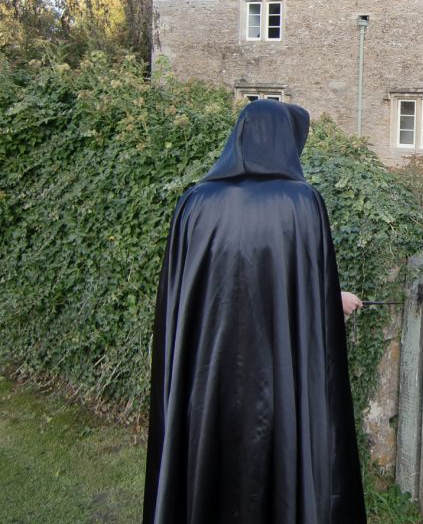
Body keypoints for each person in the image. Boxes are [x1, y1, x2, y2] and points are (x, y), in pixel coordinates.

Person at [142, 100, 367, 524]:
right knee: (284, 456)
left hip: (206, 382)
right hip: (280, 383)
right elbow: (300, 291)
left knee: (205, 463)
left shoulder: (195, 203)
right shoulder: (301, 204)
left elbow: (187, 301)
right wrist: (329, 303)